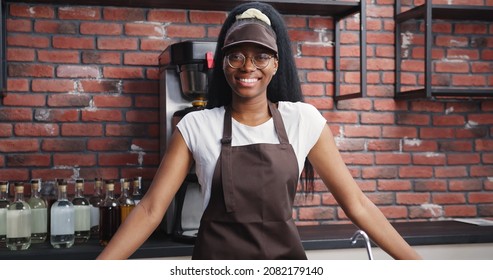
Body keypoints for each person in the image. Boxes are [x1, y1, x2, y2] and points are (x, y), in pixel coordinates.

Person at [97, 2, 421, 260]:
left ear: (276, 64)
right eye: (236, 56)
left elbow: (357, 204)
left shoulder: (303, 120)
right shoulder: (196, 126)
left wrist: (416, 266)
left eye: (261, 56)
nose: (248, 67)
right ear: (222, 63)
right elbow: (152, 209)